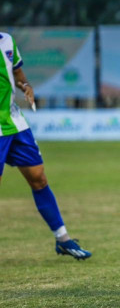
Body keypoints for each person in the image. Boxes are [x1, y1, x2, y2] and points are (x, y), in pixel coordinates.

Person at [0, 31, 91, 259]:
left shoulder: (7, 41)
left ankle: (63, 239)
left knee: (39, 178)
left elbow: (17, 72)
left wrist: (26, 85)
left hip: (15, 122)